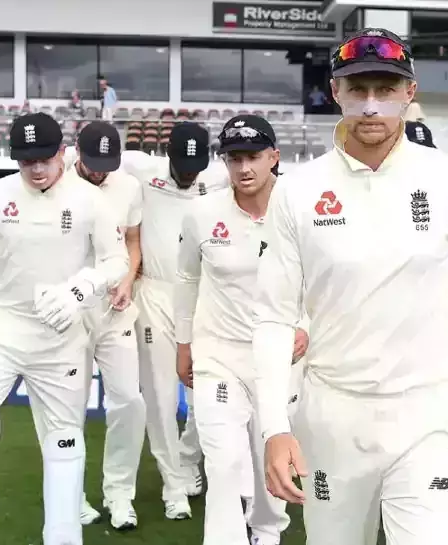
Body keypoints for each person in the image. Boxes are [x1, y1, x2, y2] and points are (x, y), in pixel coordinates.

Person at [253, 28, 448, 545]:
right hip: (334, 417)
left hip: (430, 413)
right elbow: (274, 316)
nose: (371, 106)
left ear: (409, 92)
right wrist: (274, 427)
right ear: (336, 91)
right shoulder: (298, 190)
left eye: (386, 89)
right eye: (358, 89)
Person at [0, 112, 128, 545]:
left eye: (44, 159)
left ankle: (63, 537)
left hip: (60, 337)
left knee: (64, 443)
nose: (35, 169)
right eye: (25, 160)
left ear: (62, 152)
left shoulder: (91, 200)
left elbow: (116, 261)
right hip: (1, 330)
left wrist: (78, 292)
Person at [175, 114, 307, 545]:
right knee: (223, 463)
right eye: (234, 159)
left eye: (253, 157)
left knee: (272, 451)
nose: (244, 168)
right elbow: (187, 279)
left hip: (279, 357)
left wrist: (307, 327)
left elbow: (323, 277)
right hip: (219, 356)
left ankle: (266, 531)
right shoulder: (201, 213)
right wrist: (183, 344)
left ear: (274, 157)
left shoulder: (300, 208)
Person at [119, 121, 228, 520]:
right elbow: (83, 160)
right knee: (161, 396)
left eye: (195, 167)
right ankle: (173, 485)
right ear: (167, 155)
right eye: (182, 166)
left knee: (207, 393)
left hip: (204, 296)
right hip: (155, 293)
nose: (188, 174)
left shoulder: (218, 176)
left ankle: (187, 458)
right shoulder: (140, 169)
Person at [58, 122, 148, 530]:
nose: (99, 172)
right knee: (68, 407)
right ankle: (71, 494)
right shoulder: (56, 183)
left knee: (129, 401)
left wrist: (127, 281)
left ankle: (119, 494)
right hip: (71, 315)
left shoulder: (127, 186)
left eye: (107, 164)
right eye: (93, 162)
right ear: (76, 151)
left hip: (115, 309)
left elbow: (132, 240)